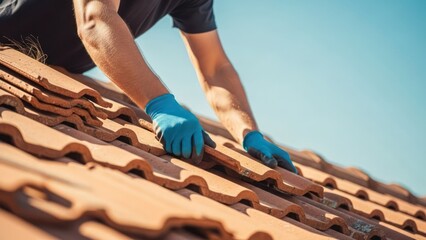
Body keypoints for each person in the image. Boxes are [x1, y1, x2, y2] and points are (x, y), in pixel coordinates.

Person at [0, 0, 297, 172]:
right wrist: (159, 102)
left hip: (47, 71)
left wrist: (249, 132)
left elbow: (215, 67)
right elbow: (94, 20)